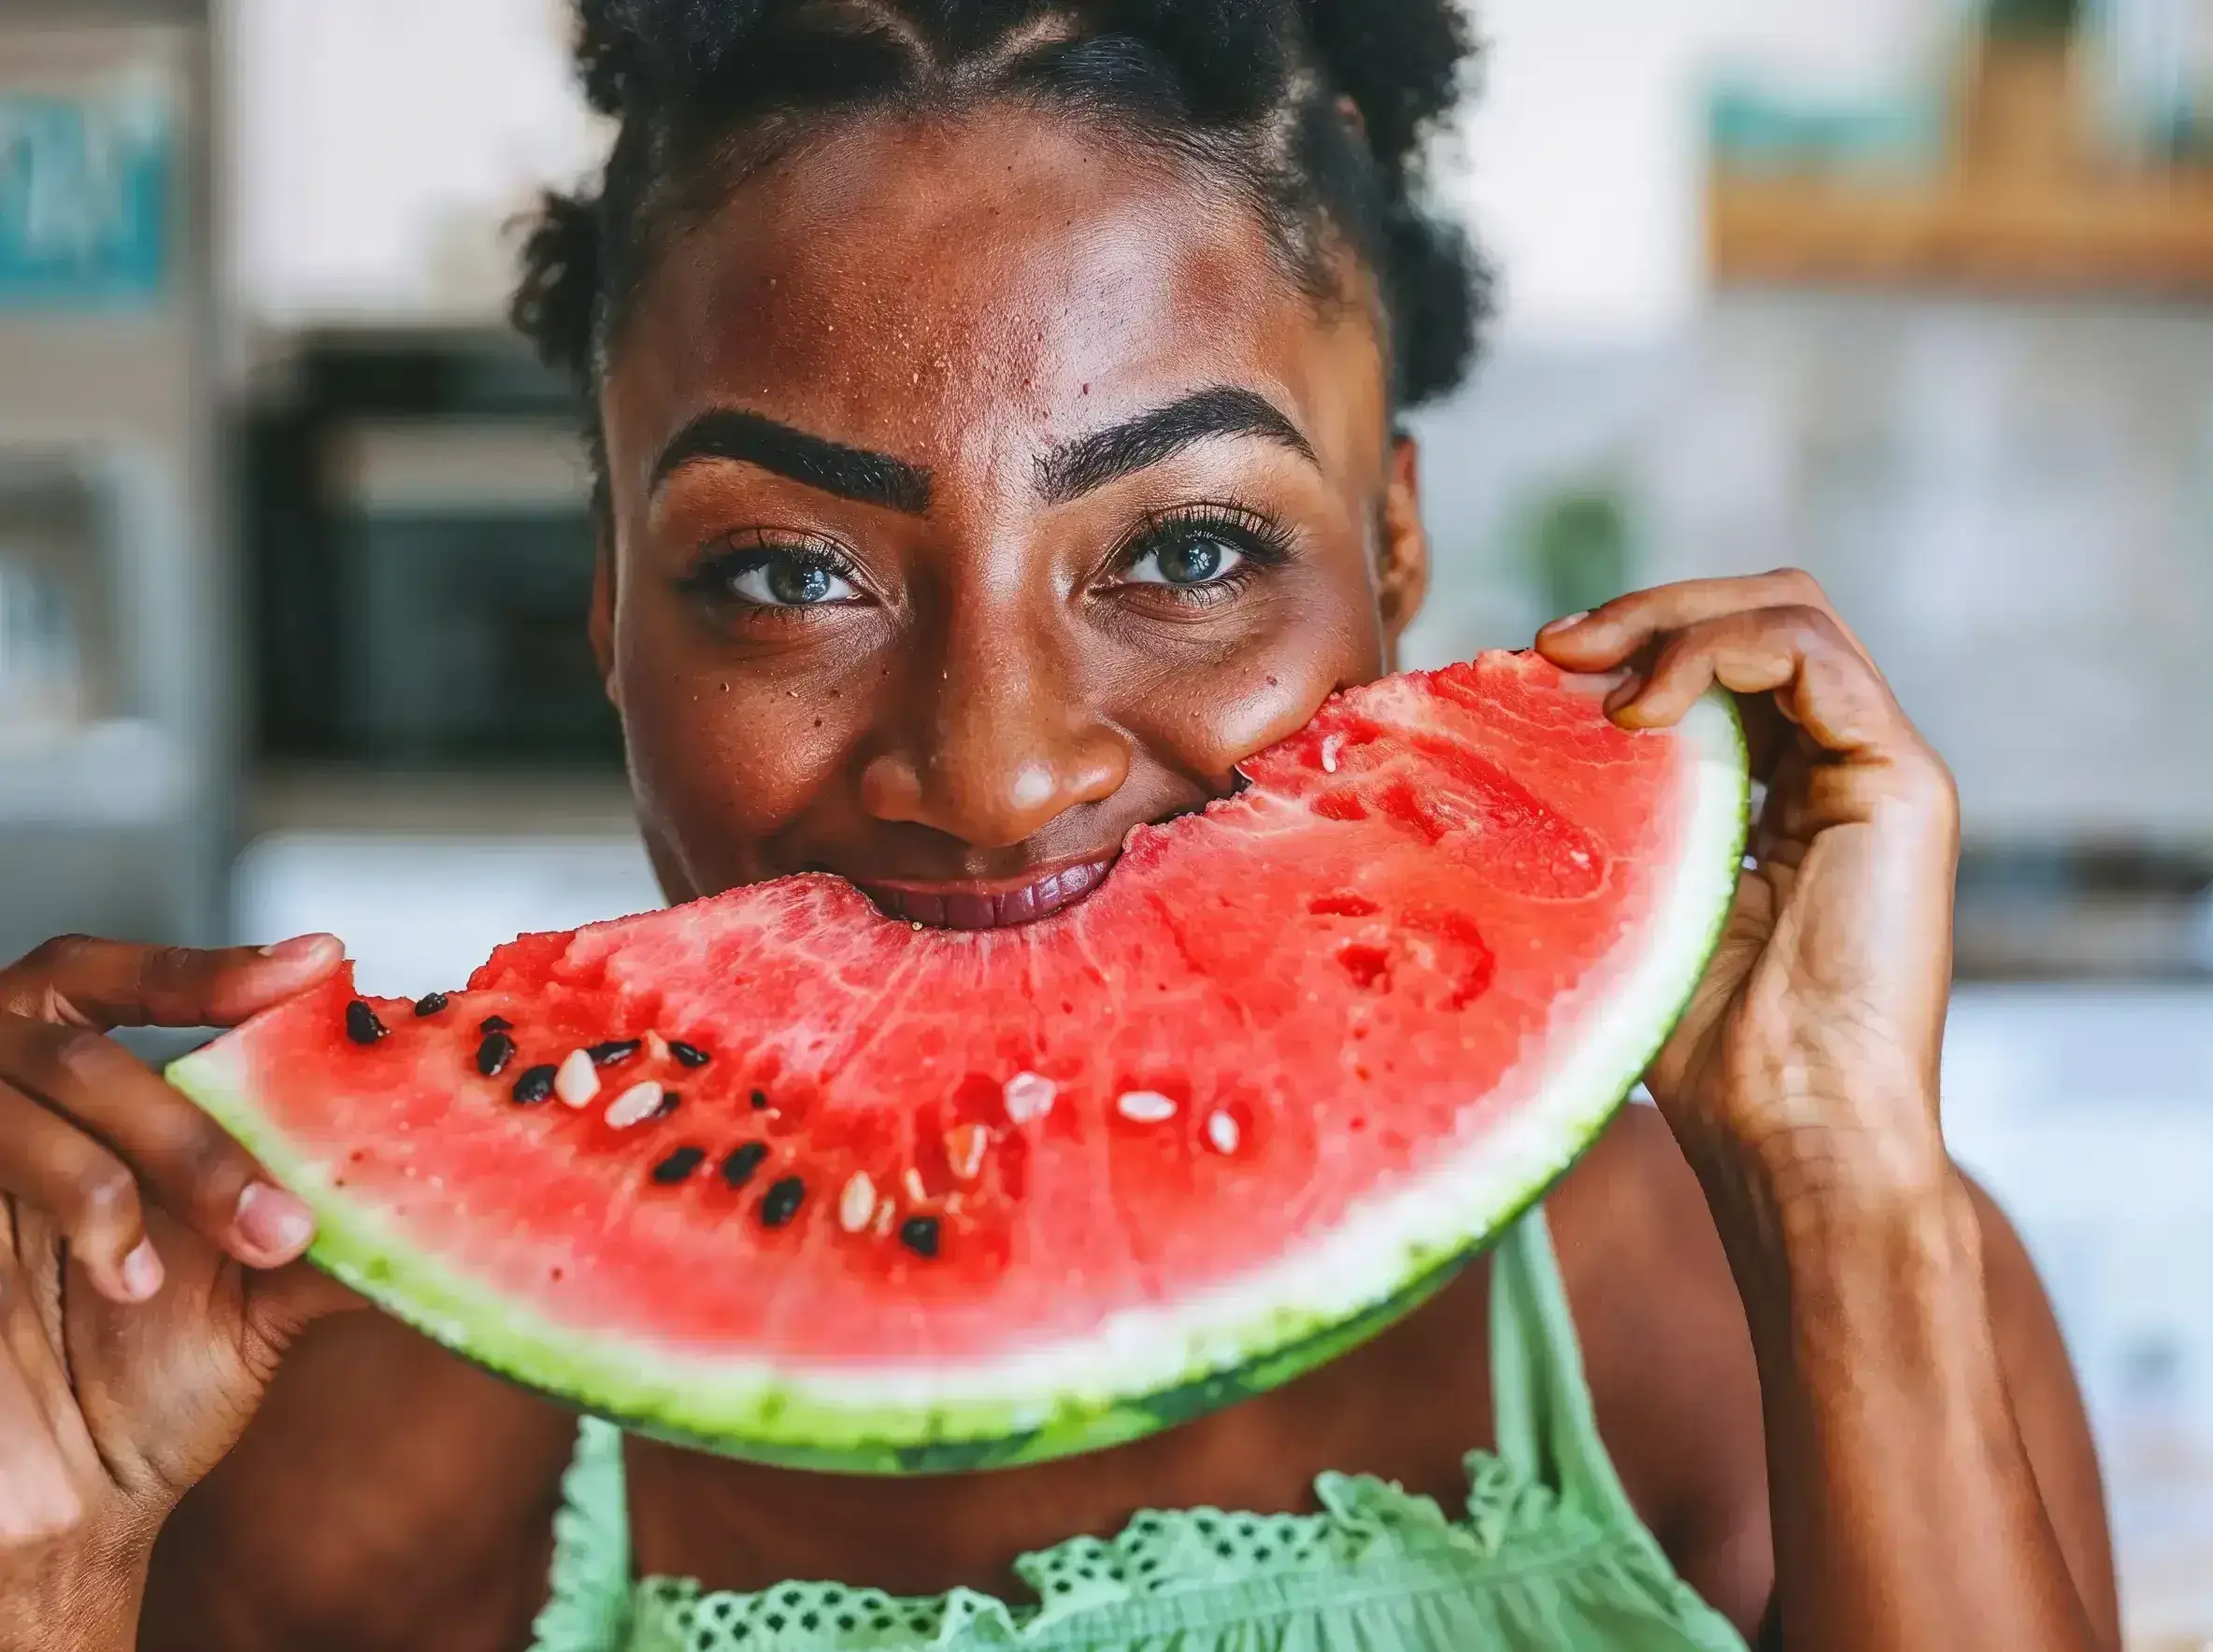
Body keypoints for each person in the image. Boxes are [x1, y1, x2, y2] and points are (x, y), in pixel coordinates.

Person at [0, 3, 2119, 1648]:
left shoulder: (1764, 1304)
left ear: (1392, 549)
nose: (999, 770)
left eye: (1186, 550)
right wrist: (49, 1551)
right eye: (788, 572)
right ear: (609, 610)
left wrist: (1840, 1191)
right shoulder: (316, 1432)